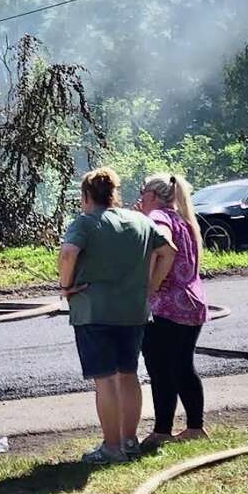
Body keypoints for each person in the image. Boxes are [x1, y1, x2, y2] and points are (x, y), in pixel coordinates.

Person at [58, 167, 176, 464]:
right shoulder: (139, 220)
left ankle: (111, 448)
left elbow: (68, 253)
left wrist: (65, 286)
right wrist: (152, 286)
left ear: (86, 196)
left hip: (94, 311)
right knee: (128, 375)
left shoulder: (85, 223)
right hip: (134, 311)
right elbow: (169, 251)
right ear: (113, 194)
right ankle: (129, 440)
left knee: (105, 380)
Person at [137, 173, 209, 451]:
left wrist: (151, 288)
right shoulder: (184, 219)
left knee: (160, 369)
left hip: (166, 308)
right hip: (192, 303)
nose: (140, 198)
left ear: (153, 196)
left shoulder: (160, 219)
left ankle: (162, 430)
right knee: (182, 366)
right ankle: (195, 427)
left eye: (143, 193)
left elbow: (164, 245)